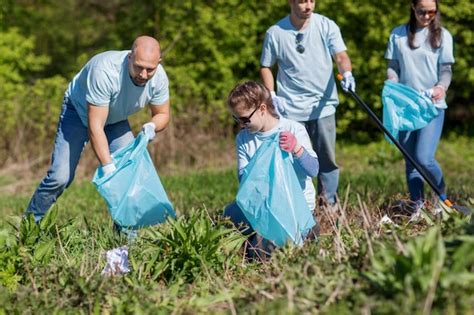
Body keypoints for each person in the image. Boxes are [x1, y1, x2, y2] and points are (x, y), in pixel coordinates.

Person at [25, 36, 170, 223]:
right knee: (60, 177)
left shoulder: (159, 78)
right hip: (78, 112)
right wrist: (108, 167)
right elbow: (95, 126)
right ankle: (29, 227)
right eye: (138, 67)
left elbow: (163, 114)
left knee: (127, 174)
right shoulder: (105, 70)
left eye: (149, 69)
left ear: (158, 63)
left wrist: (152, 125)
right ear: (129, 58)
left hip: (114, 119)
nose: (143, 75)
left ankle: (124, 236)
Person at [260, 0, 355, 206]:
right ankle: (299, 204)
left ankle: (328, 205)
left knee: (326, 159)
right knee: (294, 159)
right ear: (291, 2)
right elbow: (266, 66)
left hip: (323, 105)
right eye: (303, 1)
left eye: (312, 0)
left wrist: (346, 72)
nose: (309, 5)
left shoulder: (326, 25)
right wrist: (271, 94)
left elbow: (340, 55)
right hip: (290, 108)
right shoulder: (275, 32)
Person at [224, 81, 319, 257]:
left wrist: (297, 149)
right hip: (263, 209)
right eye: (236, 119)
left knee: (258, 254)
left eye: (244, 119)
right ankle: (261, 236)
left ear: (262, 109)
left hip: (295, 208)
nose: (241, 124)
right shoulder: (244, 139)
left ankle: (307, 231)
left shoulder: (293, 129)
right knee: (228, 216)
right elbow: (244, 182)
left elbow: (313, 171)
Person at [384, 0, 454, 212]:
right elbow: (393, 67)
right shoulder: (398, 35)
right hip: (406, 107)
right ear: (413, 8)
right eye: (422, 11)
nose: (426, 16)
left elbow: (446, 70)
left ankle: (442, 197)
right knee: (411, 160)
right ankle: (417, 205)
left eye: (432, 12)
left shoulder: (443, 35)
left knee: (423, 157)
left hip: (431, 105)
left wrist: (441, 87)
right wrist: (392, 83)